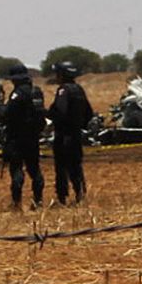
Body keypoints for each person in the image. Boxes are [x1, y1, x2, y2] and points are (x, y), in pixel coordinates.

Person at [0, 64, 45, 210]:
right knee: (35, 169)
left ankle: (16, 203)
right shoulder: (36, 92)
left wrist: (1, 107)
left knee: (16, 170)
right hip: (33, 137)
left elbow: (7, 114)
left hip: (17, 138)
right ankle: (38, 201)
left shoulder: (17, 94)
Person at [47, 61, 94, 205]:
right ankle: (80, 193)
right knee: (76, 165)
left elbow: (60, 112)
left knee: (62, 167)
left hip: (63, 135)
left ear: (62, 75)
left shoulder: (63, 90)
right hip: (76, 134)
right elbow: (89, 113)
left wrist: (49, 115)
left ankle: (63, 197)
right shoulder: (79, 89)